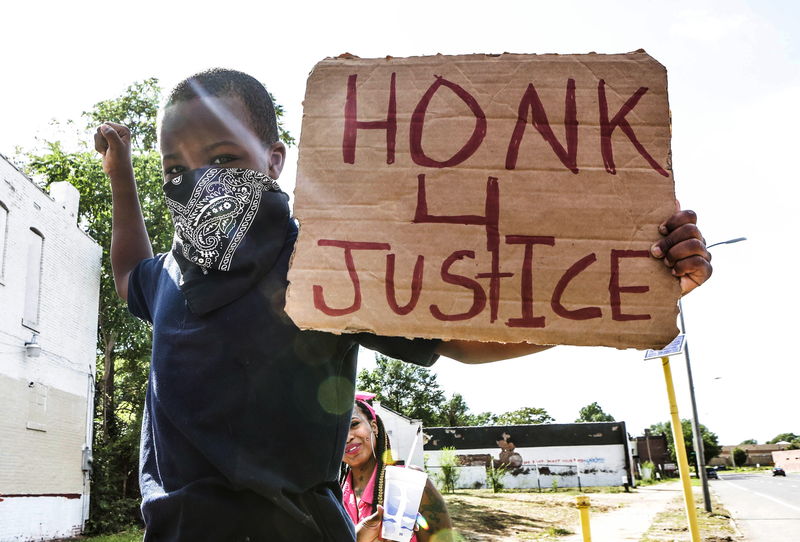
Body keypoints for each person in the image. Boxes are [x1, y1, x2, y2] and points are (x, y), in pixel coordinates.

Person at [94, 67, 712, 541]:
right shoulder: (170, 277)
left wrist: (625, 291)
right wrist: (119, 169)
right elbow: (127, 274)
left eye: (224, 158)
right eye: (174, 165)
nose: (196, 180)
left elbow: (458, 339)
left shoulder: (321, 260)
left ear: (275, 161)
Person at [340, 394, 453, 542]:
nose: (347, 437)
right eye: (338, 432)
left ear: (374, 427)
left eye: (354, 424)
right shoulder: (334, 493)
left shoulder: (412, 483)